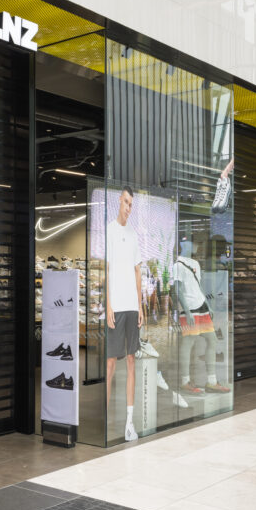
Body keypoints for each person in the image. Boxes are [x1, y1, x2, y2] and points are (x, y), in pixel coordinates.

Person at [106, 186, 143, 441]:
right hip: (116, 307)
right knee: (110, 363)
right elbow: (107, 269)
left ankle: (129, 423)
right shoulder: (109, 230)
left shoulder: (134, 235)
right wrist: (108, 305)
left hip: (131, 306)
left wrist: (140, 307)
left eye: (131, 205)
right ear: (119, 200)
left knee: (131, 360)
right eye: (126, 202)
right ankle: (105, 418)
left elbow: (138, 271)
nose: (128, 208)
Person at [171, 237, 230, 395]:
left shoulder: (195, 263)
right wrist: (186, 310)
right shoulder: (178, 265)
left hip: (201, 306)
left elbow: (198, 287)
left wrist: (208, 305)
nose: (197, 246)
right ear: (184, 244)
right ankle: (185, 382)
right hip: (189, 308)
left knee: (212, 339)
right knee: (188, 342)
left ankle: (211, 382)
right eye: (195, 243)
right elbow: (178, 289)